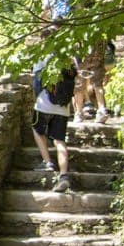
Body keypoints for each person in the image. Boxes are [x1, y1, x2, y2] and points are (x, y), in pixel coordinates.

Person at [32, 58, 77, 192]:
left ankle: (47, 162)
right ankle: (63, 176)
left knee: (37, 130)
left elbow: (37, 82)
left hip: (43, 104)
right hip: (63, 108)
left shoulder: (42, 56)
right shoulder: (69, 57)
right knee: (59, 140)